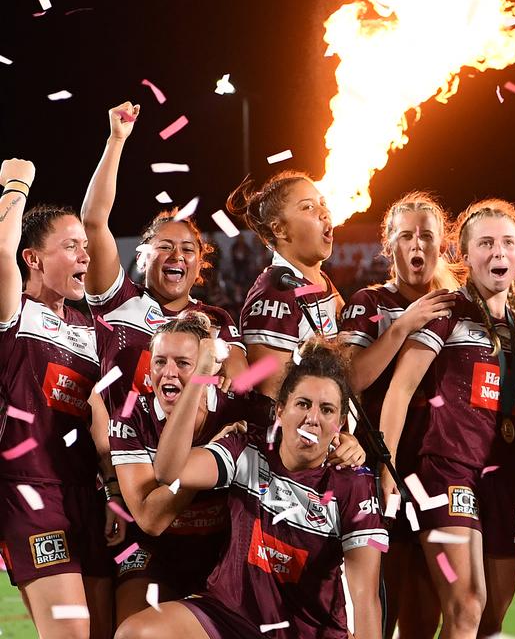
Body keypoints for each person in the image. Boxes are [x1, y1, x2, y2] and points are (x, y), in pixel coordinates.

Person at [115, 339, 386, 639]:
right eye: (303, 404)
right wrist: (201, 376)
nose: (312, 418)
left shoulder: (354, 484)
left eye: (327, 410)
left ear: (341, 422)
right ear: (280, 411)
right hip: (230, 616)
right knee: (135, 634)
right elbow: (168, 471)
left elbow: (365, 600)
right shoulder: (246, 448)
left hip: (306, 633)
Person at [379, 198, 515, 639]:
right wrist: (385, 469)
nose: (499, 252)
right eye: (486, 243)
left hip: (503, 477)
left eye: (509, 243)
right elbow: (400, 388)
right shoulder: (447, 310)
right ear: (463, 253)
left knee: (491, 616)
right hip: (446, 471)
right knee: (467, 604)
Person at [0, 161, 118, 639]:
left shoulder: (93, 329)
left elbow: (100, 417)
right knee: (71, 632)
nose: (84, 258)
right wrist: (15, 185)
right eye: (70, 247)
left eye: (85, 248)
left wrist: (111, 489)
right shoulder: (14, 313)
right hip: (30, 491)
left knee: (105, 632)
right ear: (33, 259)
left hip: (86, 494)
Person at [339, 191, 457, 639]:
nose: (418, 245)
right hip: (377, 473)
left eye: (427, 235)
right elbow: (353, 380)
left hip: (437, 474)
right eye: (406, 235)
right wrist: (404, 323)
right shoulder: (368, 302)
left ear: (441, 244)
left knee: (425, 617)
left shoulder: (453, 304)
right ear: (389, 246)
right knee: (377, 610)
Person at [81, 101, 246, 417]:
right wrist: (116, 140)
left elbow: (237, 378)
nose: (178, 256)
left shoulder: (215, 319)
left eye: (188, 249)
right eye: (166, 246)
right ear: (142, 257)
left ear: (199, 264)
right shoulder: (117, 300)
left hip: (188, 459)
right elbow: (92, 222)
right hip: (120, 458)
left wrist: (225, 368)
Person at [108, 312, 273, 621]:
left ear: (208, 369)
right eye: (159, 362)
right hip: (154, 552)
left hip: (223, 552)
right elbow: (150, 519)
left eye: (183, 364)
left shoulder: (241, 410)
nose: (168, 373)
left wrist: (347, 443)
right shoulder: (131, 418)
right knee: (131, 630)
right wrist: (212, 455)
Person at [226, 171, 342, 398]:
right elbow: (269, 396)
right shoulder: (276, 293)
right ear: (279, 229)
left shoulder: (320, 280)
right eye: (307, 207)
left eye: (323, 203)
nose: (324, 212)